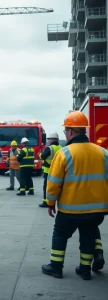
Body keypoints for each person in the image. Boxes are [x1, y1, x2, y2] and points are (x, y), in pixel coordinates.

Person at [42, 111, 108, 280]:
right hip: (96, 209)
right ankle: (85, 269)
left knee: (60, 234)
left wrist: (50, 203)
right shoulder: (102, 152)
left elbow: (54, 182)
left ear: (70, 131)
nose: (65, 134)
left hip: (70, 209)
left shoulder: (64, 153)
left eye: (65, 131)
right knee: (88, 236)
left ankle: (56, 267)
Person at [38, 132, 62, 208]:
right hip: (58, 171)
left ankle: (46, 202)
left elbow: (43, 156)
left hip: (48, 171)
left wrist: (40, 154)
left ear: (52, 139)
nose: (48, 141)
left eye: (49, 139)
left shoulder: (49, 148)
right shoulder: (61, 148)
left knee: (47, 187)